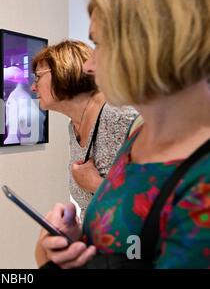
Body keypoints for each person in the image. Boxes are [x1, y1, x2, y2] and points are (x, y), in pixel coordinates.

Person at [37, 0, 210, 269]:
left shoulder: (201, 182)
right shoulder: (140, 138)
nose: (89, 66)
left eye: (99, 44)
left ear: (152, 45)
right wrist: (78, 243)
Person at [31, 40, 138, 221]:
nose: (33, 87)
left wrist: (95, 184)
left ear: (63, 71)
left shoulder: (120, 116)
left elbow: (156, 195)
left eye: (38, 77)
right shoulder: (74, 127)